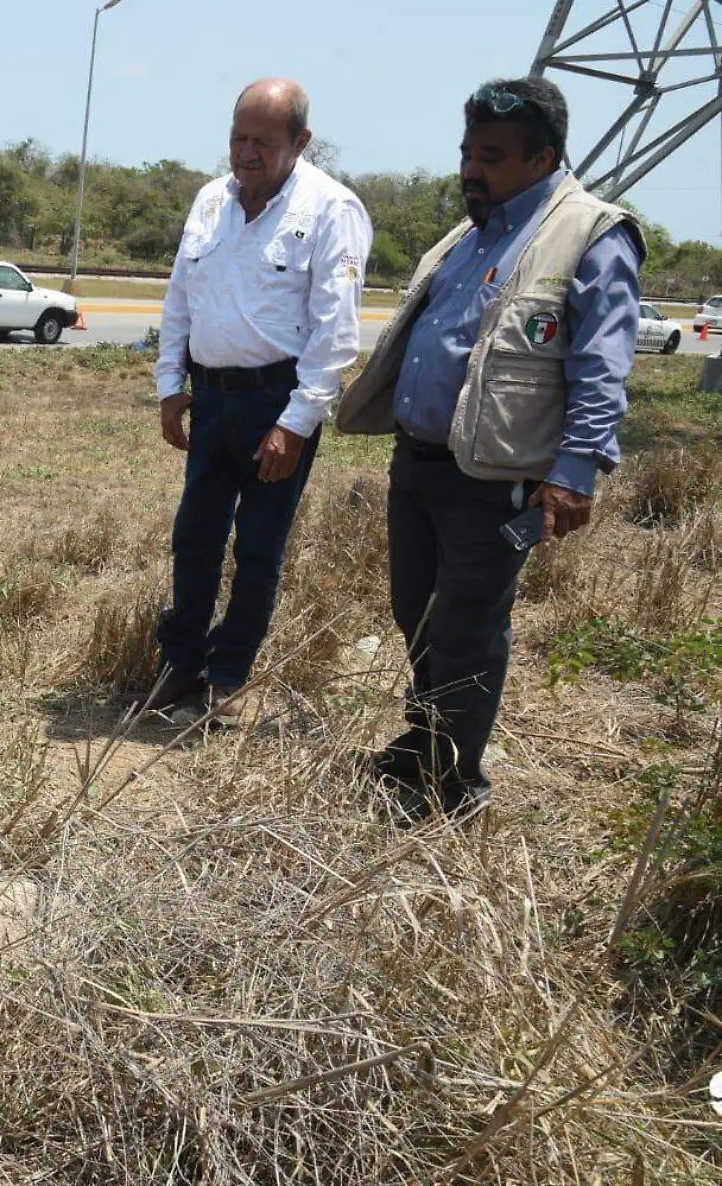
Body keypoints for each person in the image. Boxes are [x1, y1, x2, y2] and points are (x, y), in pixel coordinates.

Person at [338, 77, 642, 821]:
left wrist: (575, 475)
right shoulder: (471, 233)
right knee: (417, 613)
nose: (471, 171)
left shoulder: (590, 233)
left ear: (543, 159)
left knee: (468, 627)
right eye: (468, 153)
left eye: (493, 158)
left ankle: (454, 786)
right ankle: (425, 740)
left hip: (496, 480)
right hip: (419, 465)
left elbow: (602, 365)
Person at [150, 79, 372, 728]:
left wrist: (296, 424)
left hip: (278, 403)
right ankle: (181, 665)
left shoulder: (332, 209)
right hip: (212, 398)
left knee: (258, 550)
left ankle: (227, 677)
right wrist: (171, 386)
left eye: (263, 142)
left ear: (300, 142)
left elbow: (336, 336)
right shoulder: (210, 200)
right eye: (237, 137)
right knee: (194, 537)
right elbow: (179, 301)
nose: (246, 153)